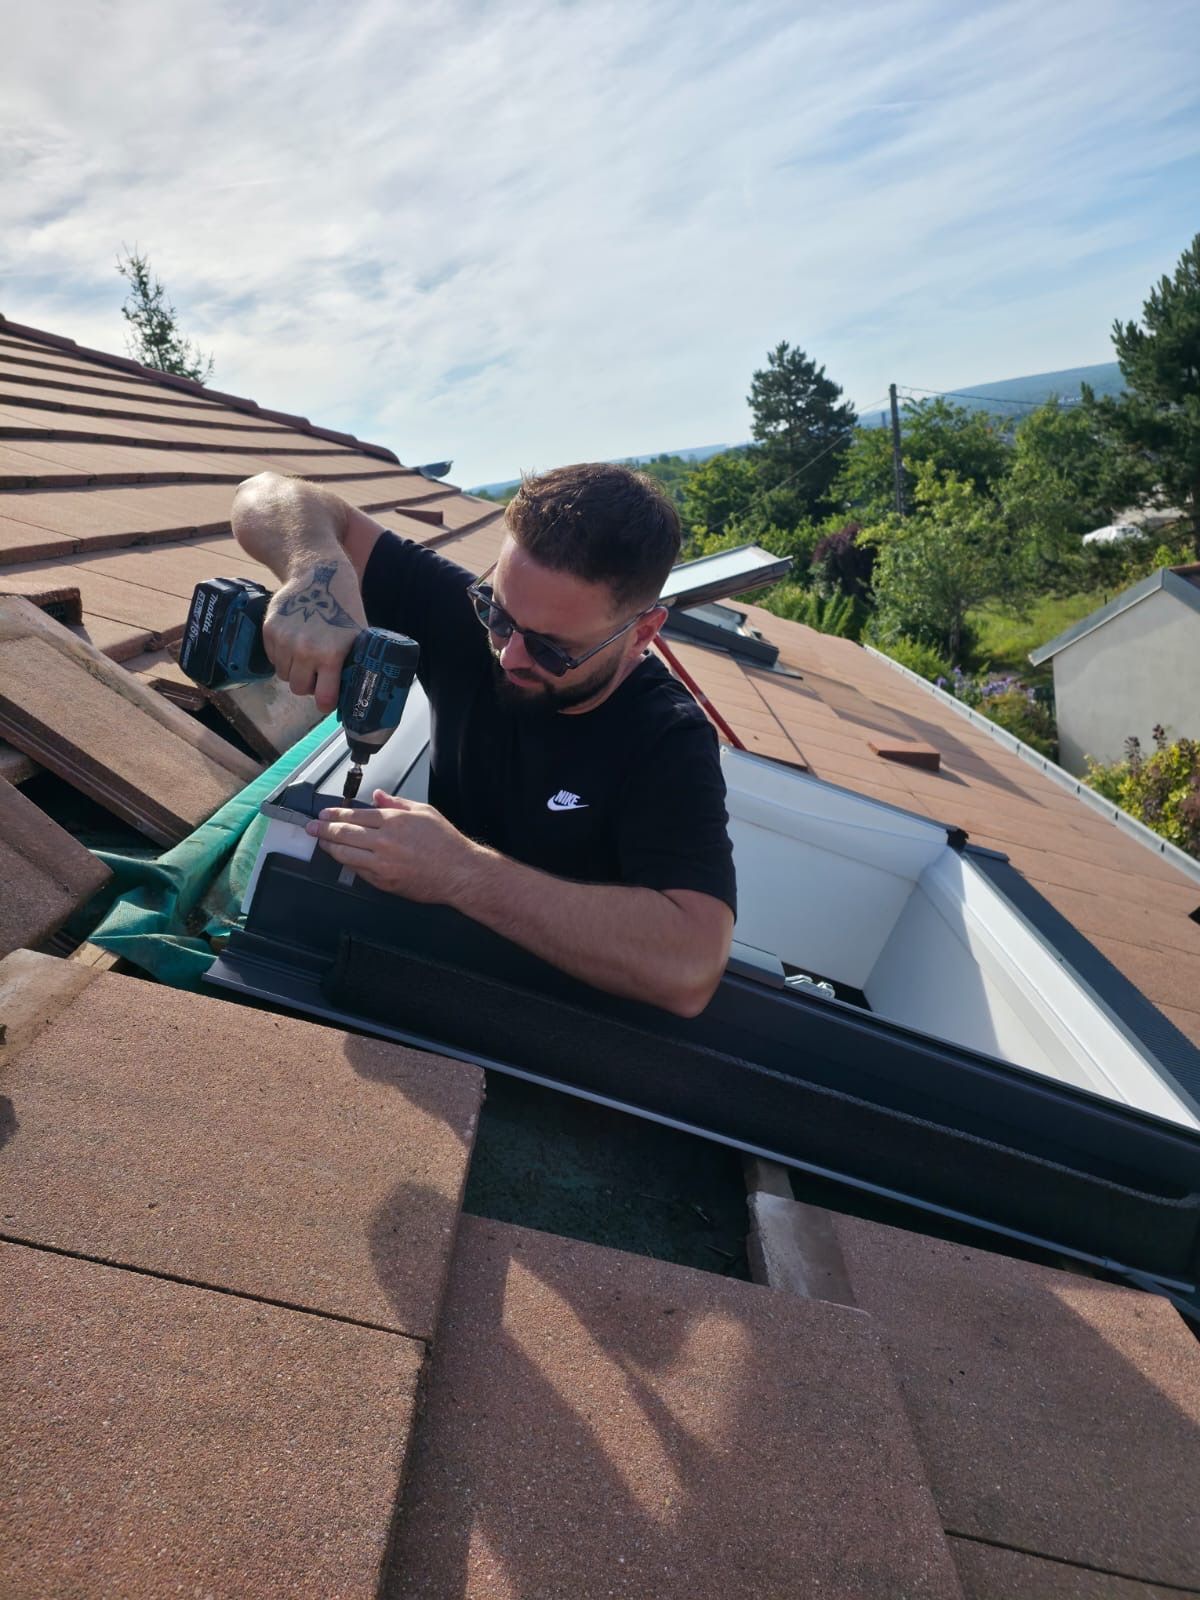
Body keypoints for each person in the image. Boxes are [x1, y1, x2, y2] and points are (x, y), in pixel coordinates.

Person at [230, 462, 736, 1017]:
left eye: (551, 649)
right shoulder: (466, 620)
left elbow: (689, 966)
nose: (509, 655)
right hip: (415, 974)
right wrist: (316, 571)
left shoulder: (667, 738)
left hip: (552, 1027)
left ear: (642, 632)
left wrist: (461, 873)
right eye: (498, 614)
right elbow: (266, 493)